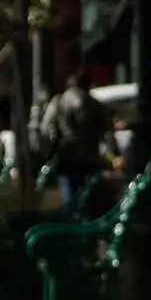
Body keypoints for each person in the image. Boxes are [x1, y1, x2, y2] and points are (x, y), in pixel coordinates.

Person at [41, 72, 120, 207]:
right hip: (90, 157)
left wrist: (53, 145)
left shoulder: (59, 101)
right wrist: (114, 155)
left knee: (69, 195)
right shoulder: (95, 105)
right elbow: (107, 133)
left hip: (67, 156)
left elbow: (46, 127)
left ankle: (71, 218)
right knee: (87, 195)